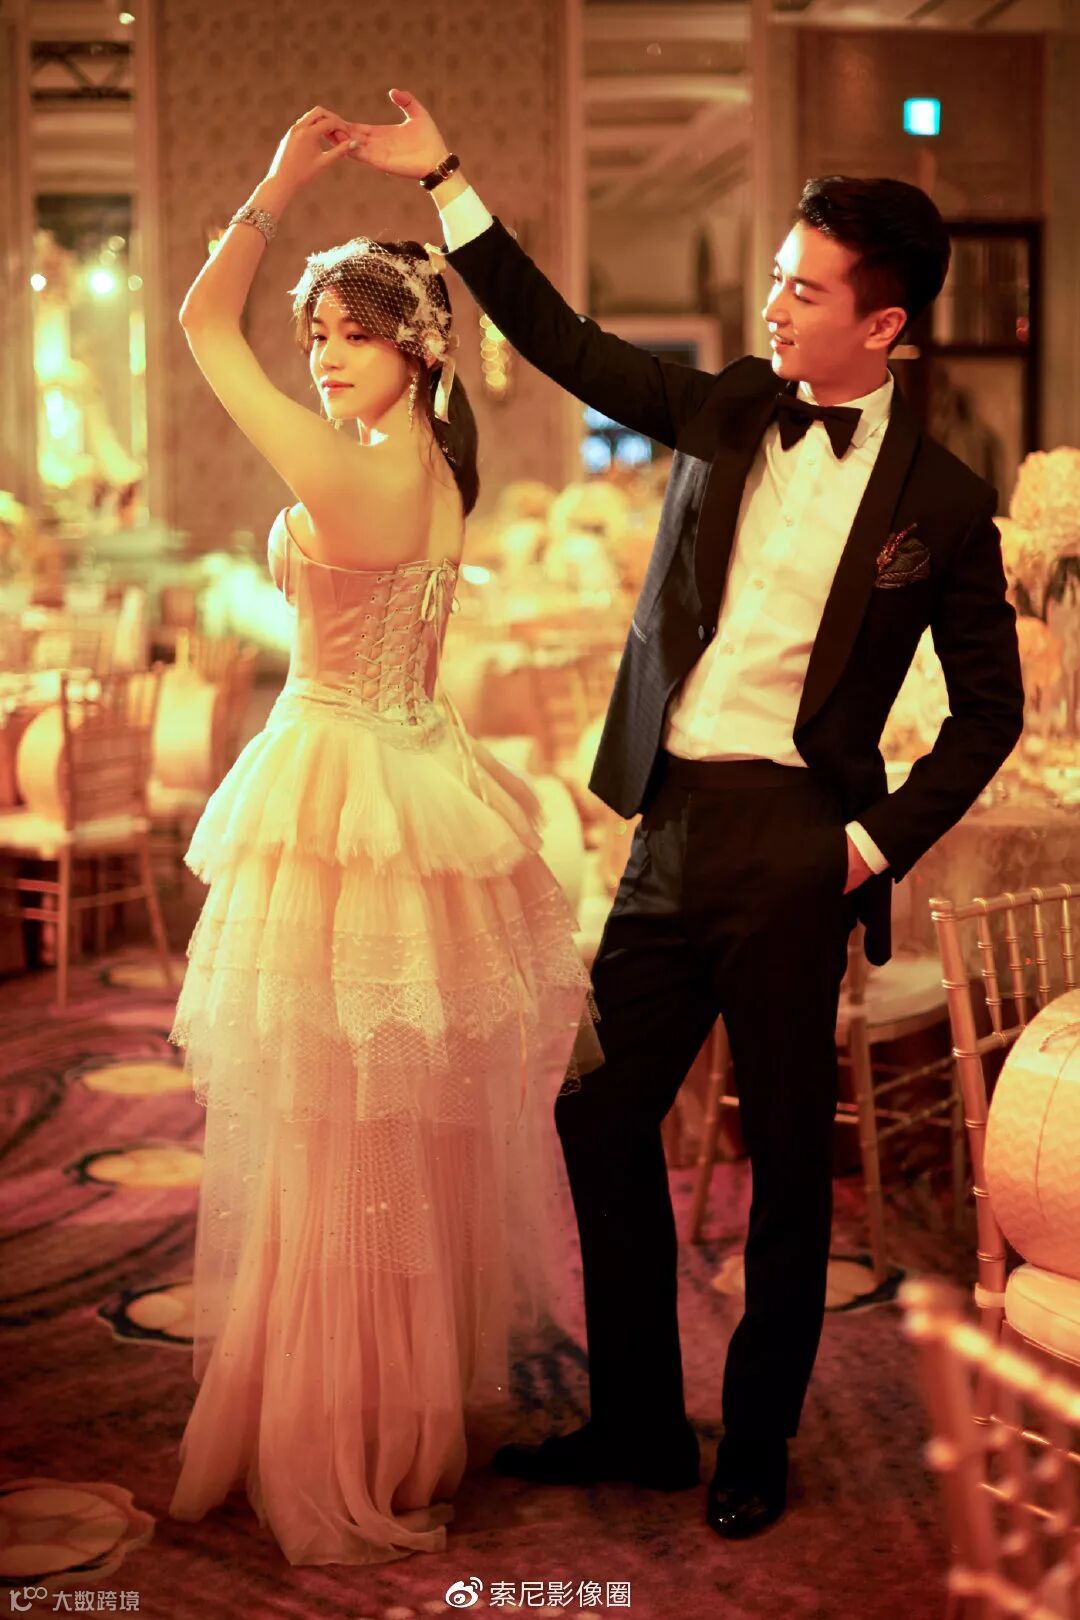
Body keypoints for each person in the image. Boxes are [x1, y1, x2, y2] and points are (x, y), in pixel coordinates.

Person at [342, 89, 1025, 1539]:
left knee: (786, 1165)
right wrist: (449, 182)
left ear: (884, 325)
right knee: (598, 1115)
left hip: (801, 846)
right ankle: (643, 1422)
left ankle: (757, 1439)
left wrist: (866, 847)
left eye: (804, 289)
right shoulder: (729, 406)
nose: (772, 304)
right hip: (669, 825)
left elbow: (990, 715)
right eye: (776, 275)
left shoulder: (947, 505)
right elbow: (567, 343)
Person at [166, 106, 594, 1566]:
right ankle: (396, 1418)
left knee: (334, 1138)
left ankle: (338, 1430)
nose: (325, 356)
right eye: (318, 336)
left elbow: (200, 325)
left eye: (353, 334)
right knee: (387, 1137)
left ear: (415, 345)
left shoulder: (350, 473)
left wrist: (281, 178)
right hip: (409, 781)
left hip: (343, 799)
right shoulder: (438, 473)